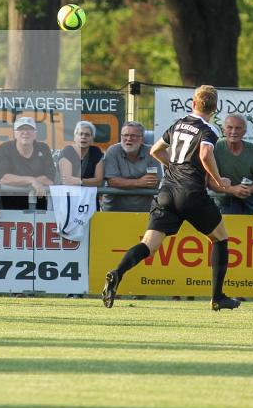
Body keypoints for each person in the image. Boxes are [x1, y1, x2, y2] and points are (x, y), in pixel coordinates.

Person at [101, 85, 240, 312]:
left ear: (193, 104)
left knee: (149, 245)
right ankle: (218, 297)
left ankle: (117, 273)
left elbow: (156, 150)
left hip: (166, 191)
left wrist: (175, 166)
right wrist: (219, 179)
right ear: (215, 108)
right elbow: (205, 154)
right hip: (191, 193)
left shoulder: (179, 124)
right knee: (220, 239)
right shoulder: (209, 130)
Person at [0, 116, 56, 210]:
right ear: (15, 133)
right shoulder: (5, 148)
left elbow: (50, 179)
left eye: (29, 129)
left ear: (35, 134)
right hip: (9, 203)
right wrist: (32, 181)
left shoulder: (44, 148)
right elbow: (3, 178)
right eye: (21, 129)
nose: (25, 132)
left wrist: (18, 180)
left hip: (38, 203)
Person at [210, 114, 253, 213]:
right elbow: (210, 183)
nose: (233, 132)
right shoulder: (215, 148)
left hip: (251, 201)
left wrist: (248, 190)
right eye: (230, 127)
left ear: (244, 132)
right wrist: (232, 190)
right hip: (225, 202)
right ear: (224, 130)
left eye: (238, 128)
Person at [101, 121, 161, 212]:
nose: (129, 139)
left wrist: (124, 182)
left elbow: (153, 182)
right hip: (113, 210)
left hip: (144, 211)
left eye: (133, 136)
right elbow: (112, 181)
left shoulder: (151, 152)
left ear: (142, 139)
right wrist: (139, 182)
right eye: (125, 135)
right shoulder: (113, 151)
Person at [58, 121, 104, 187]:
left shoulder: (96, 151)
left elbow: (99, 181)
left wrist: (80, 181)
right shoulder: (67, 151)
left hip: (89, 195)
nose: (83, 137)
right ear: (75, 137)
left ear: (92, 139)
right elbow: (67, 180)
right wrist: (89, 182)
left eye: (87, 134)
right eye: (80, 134)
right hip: (69, 195)